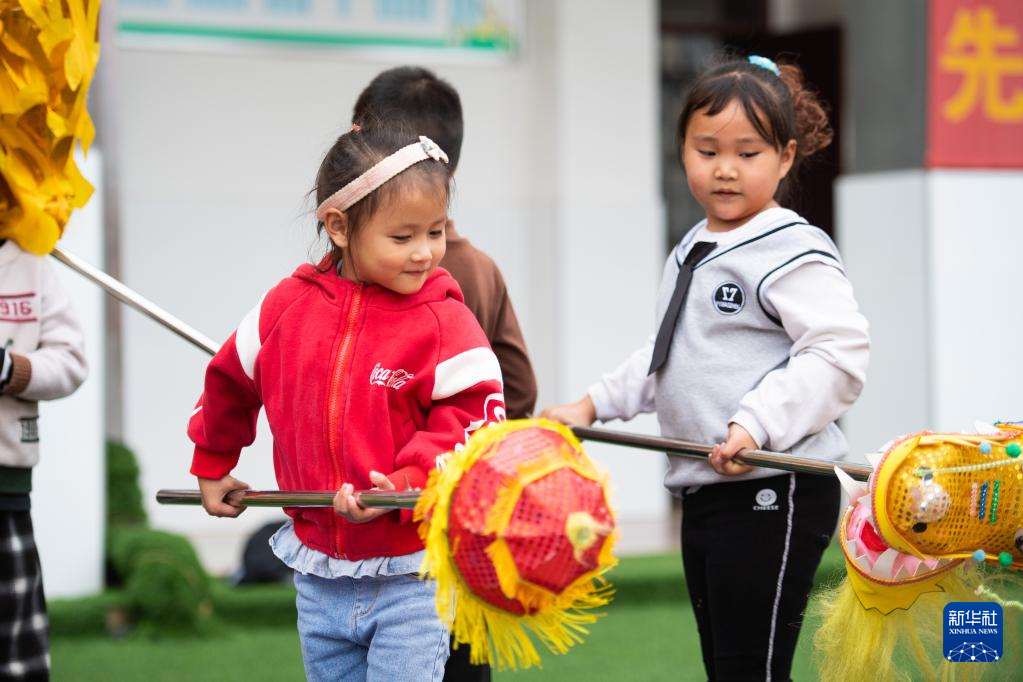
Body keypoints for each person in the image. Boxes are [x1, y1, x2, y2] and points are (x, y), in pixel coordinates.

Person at [541, 55, 870, 681]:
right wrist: (590, 404)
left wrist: (756, 426)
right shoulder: (694, 245)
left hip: (777, 486)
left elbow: (839, 354)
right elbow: (667, 354)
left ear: (786, 156)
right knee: (728, 669)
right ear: (681, 150)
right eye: (707, 148)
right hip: (707, 489)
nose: (725, 168)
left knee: (751, 670)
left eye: (748, 153)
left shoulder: (793, 249)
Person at [188, 126, 505, 682]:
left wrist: (406, 482)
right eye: (403, 236)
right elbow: (229, 380)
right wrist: (214, 463)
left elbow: (475, 421)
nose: (426, 251)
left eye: (434, 231)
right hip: (318, 576)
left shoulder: (445, 321)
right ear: (338, 227)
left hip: (412, 577)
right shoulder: (283, 310)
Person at [352, 65, 536, 682]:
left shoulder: (360, 282)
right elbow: (519, 391)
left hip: (393, 534)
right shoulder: (479, 267)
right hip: (465, 526)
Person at [0, 240, 88, 681]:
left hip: (6, 487)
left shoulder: (30, 264)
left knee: (15, 651)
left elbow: (71, 360)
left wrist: (10, 369)